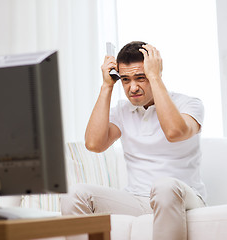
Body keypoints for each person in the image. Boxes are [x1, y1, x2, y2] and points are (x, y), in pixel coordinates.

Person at [62, 41, 206, 240]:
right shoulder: (122, 111)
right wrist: (107, 85)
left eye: (141, 78)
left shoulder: (189, 104)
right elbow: (94, 144)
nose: (133, 87)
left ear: (155, 72)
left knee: (164, 186)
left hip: (183, 197)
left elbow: (174, 132)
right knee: (76, 194)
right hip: (137, 200)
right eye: (126, 80)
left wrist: (154, 77)